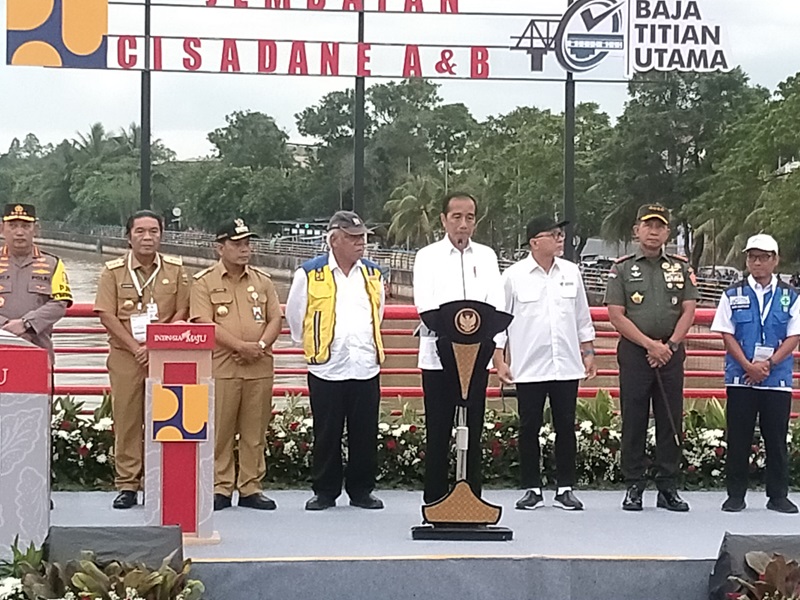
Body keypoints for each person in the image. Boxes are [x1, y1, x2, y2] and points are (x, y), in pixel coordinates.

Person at [494, 215, 596, 511]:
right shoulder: (513, 276)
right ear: (535, 241)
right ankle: (531, 488)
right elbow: (500, 323)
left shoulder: (572, 272)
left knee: (565, 426)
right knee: (529, 427)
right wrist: (499, 361)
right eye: (553, 234)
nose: (560, 238)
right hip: (529, 365)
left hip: (565, 364)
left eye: (561, 234)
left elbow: (581, 317)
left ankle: (565, 487)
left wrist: (588, 354)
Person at [285, 211, 385, 511]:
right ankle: (325, 491)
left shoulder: (373, 273)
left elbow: (377, 313)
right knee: (327, 431)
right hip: (327, 364)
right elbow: (295, 314)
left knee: (365, 431)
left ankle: (361, 490)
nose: (360, 243)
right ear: (334, 239)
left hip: (365, 364)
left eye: (362, 238)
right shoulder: (309, 273)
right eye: (353, 238)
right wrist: (312, 344)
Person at [604, 204, 698, 512]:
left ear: (668, 232)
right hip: (635, 352)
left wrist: (668, 345)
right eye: (648, 225)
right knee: (634, 419)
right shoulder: (621, 268)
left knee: (670, 419)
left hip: (671, 352)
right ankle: (634, 484)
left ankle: (668, 485)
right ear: (637, 230)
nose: (654, 231)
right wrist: (649, 345)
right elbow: (616, 315)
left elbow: (688, 310)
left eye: (659, 226)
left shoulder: (682, 267)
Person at [94, 210, 190, 509]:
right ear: (129, 236)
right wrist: (136, 347)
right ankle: (127, 484)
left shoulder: (176, 270)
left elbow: (182, 311)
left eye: (153, 231)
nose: (147, 237)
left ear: (161, 235)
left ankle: (160, 481)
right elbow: (106, 314)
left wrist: (156, 344)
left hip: (164, 355)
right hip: (126, 355)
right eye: (140, 232)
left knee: (167, 419)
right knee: (127, 420)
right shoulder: (112, 271)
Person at [413, 192, 503, 504]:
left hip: (476, 360)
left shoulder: (488, 257)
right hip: (439, 359)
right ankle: (435, 499)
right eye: (456, 217)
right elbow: (425, 304)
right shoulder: (427, 257)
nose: (463, 224)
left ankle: (472, 498)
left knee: (473, 431)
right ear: (443, 220)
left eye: (469, 218)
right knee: (438, 430)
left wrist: (493, 346)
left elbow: (497, 305)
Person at [190, 218, 282, 511]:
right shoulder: (204, 282)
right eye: (237, 244)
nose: (245, 250)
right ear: (220, 248)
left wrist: (261, 346)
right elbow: (204, 322)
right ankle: (220, 486)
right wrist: (240, 346)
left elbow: (275, 318)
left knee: (254, 431)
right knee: (221, 429)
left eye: (247, 244)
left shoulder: (262, 280)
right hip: (223, 365)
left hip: (259, 366)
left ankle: (251, 487)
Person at [710, 234, 799, 514]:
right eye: (752, 257)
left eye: (763, 257)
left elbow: (793, 336)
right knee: (738, 437)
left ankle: (778, 495)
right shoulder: (732, 294)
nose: (757, 262)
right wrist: (748, 366)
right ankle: (735, 494)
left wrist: (769, 364)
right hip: (741, 377)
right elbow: (726, 333)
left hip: (777, 379)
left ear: (775, 260)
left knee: (776, 439)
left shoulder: (790, 296)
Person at [0, 203, 72, 359]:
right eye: (12, 226)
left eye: (26, 226)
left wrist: (26, 324)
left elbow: (60, 303)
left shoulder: (53, 264)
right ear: (2, 228)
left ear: (36, 229)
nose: (19, 232)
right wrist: (6, 328)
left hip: (38, 349)